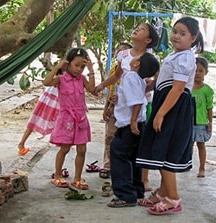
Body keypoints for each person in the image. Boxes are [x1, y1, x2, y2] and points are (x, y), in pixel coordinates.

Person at [136, 16, 204, 216]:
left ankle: (173, 198)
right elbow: (167, 81)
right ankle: (162, 193)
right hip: (167, 104)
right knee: (161, 149)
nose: (176, 36)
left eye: (183, 34)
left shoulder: (186, 57)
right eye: (175, 31)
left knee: (166, 152)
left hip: (174, 109)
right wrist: (153, 84)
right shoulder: (176, 55)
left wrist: (161, 114)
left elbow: (178, 88)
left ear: (193, 38)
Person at [94, 23, 160, 179]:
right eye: (136, 27)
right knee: (112, 136)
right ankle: (110, 167)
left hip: (137, 106)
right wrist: (102, 85)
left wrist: (142, 90)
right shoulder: (123, 55)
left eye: (142, 29)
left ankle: (134, 177)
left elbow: (158, 79)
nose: (136, 29)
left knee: (132, 140)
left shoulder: (150, 59)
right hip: (119, 102)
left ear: (148, 40)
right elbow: (117, 76)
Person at [107, 52, 160, 208]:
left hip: (130, 125)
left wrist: (132, 122)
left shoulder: (130, 76)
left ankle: (125, 195)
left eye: (136, 58)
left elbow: (136, 102)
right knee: (134, 158)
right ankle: (137, 190)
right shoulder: (139, 79)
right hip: (139, 123)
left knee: (118, 153)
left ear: (136, 64)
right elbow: (141, 94)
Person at [43, 48, 95, 190]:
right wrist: (57, 67)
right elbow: (46, 82)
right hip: (66, 118)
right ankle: (58, 175)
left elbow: (92, 89)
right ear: (68, 63)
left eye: (82, 66)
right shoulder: (61, 79)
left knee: (82, 149)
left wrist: (91, 71)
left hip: (81, 117)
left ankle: (77, 177)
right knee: (65, 148)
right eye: (76, 65)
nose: (79, 69)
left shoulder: (82, 79)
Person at [92, 42, 132, 179]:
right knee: (109, 137)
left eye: (125, 50)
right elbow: (111, 89)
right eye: (119, 51)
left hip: (128, 110)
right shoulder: (114, 71)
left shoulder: (134, 70)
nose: (121, 53)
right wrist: (106, 107)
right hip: (113, 108)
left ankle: (124, 167)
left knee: (127, 139)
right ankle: (107, 165)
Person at [17, 86, 59, 156]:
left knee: (35, 119)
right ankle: (21, 143)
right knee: (35, 119)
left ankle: (22, 143)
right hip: (54, 96)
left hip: (53, 95)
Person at [191, 57, 214, 178]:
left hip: (201, 122)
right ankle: (187, 164)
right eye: (194, 70)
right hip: (188, 122)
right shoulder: (187, 87)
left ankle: (202, 168)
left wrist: (210, 122)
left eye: (200, 71)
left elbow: (210, 107)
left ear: (206, 72)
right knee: (189, 145)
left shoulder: (207, 90)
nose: (197, 74)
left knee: (201, 145)